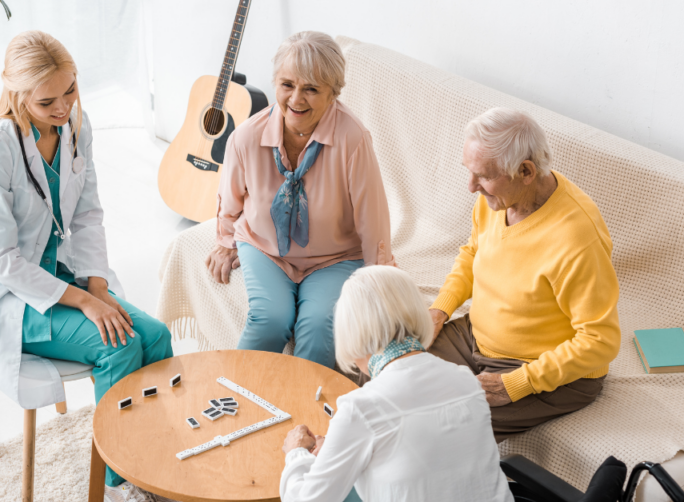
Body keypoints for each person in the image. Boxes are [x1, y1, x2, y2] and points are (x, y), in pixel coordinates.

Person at [0, 31, 173, 502]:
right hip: (4, 293)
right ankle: (118, 482)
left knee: (158, 337)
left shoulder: (75, 128)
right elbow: (2, 260)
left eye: (70, 90)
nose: (64, 105)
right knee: (120, 346)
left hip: (61, 274)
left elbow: (88, 214)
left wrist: (99, 287)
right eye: (47, 99)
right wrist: (85, 301)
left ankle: (153, 455)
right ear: (17, 93)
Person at [428, 107, 621, 442]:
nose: (471, 186)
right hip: (476, 337)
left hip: (541, 369)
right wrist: (440, 309)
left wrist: (519, 383)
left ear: (526, 171)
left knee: (440, 428)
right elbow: (473, 253)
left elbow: (600, 340)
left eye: (483, 176)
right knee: (390, 369)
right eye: (470, 173)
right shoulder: (497, 199)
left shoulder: (576, 237)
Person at [207, 31, 392, 368]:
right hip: (265, 248)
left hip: (335, 257)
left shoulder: (353, 139)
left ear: (333, 93)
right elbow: (230, 199)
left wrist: (377, 277)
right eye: (287, 85)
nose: (296, 99)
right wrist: (224, 241)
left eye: (311, 88)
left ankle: (306, 414)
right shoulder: (246, 137)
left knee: (320, 326)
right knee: (270, 319)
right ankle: (235, 400)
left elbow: (372, 216)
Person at [279, 266, 514, 502]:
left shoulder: (360, 408)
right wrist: (340, 444)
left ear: (351, 333)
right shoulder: (466, 381)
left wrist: (297, 453)